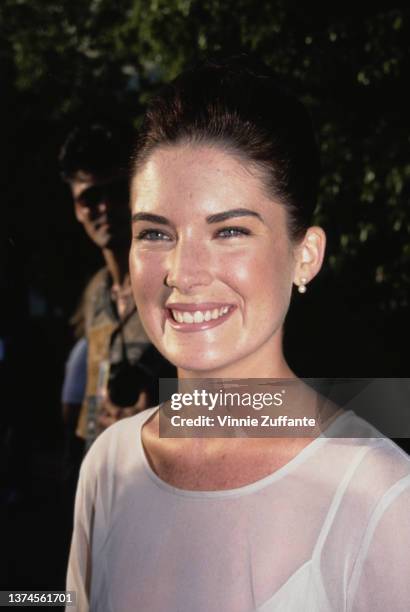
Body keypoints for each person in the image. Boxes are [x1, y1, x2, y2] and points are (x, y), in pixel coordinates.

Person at [66, 60, 410, 611]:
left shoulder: (381, 495)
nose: (182, 271)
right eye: (155, 232)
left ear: (306, 255)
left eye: (229, 230)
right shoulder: (108, 469)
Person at [59, 125, 175, 451]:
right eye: (90, 198)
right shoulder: (96, 291)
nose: (106, 209)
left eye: (117, 191)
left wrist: (166, 416)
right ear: (76, 209)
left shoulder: (181, 279)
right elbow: (90, 401)